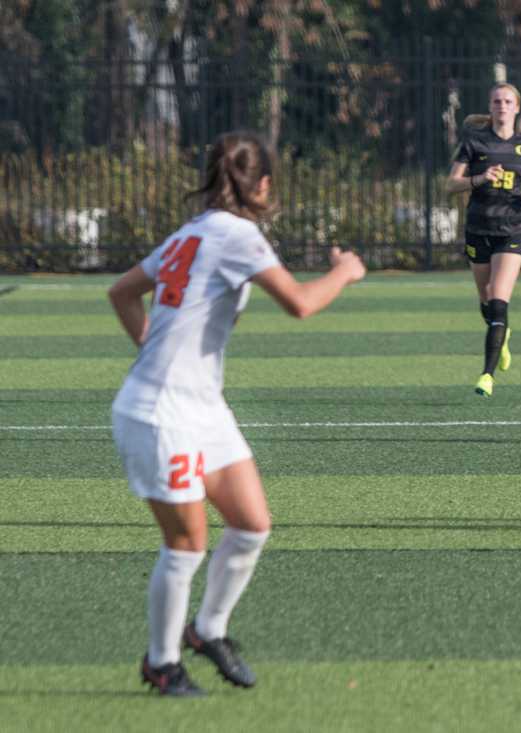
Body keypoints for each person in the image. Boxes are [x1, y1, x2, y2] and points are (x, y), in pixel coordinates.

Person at [108, 130, 366, 695]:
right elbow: (299, 304)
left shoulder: (193, 232)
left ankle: (209, 630)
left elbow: (122, 293)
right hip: (160, 413)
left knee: (251, 525)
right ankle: (161, 661)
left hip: (201, 406)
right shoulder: (237, 236)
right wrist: (346, 271)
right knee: (187, 543)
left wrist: (155, 346)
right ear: (265, 185)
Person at [445, 82, 521, 397]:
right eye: (496, 101)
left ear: (516, 108)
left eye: (507, 101)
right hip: (479, 228)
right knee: (485, 300)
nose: (502, 106)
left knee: (498, 299)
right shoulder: (474, 142)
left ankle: (486, 376)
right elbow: (450, 184)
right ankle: (501, 334)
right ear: (490, 107)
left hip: (513, 229)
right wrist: (478, 179)